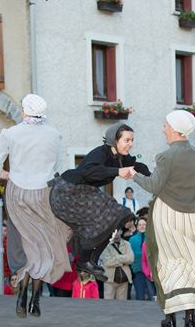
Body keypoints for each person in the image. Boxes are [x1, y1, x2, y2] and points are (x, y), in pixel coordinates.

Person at [133, 110, 195, 327]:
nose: (163, 129)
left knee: (166, 264)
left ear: (175, 129)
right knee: (191, 263)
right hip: (194, 215)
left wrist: (133, 175)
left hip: (167, 215)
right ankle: (190, 316)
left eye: (165, 125)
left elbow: (154, 186)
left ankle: (170, 317)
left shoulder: (166, 156)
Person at [0, 94, 71, 318]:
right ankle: (35, 296)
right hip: (43, 194)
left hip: (17, 194)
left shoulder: (10, 134)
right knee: (40, 245)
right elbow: (58, 170)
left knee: (20, 245)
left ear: (25, 111)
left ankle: (21, 295)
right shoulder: (54, 135)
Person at [49, 123, 150, 281]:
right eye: (127, 140)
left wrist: (153, 178)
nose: (131, 144)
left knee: (115, 220)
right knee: (118, 213)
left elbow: (137, 166)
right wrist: (117, 171)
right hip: (68, 191)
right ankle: (84, 259)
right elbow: (88, 171)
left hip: (84, 192)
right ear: (114, 140)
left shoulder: (121, 158)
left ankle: (89, 261)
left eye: (132, 140)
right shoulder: (101, 153)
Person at [99, 229, 134, 300]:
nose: (116, 233)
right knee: (108, 303)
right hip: (109, 279)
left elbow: (131, 259)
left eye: (118, 230)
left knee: (122, 305)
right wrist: (123, 261)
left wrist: (116, 257)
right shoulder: (104, 245)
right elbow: (107, 262)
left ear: (121, 231)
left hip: (124, 279)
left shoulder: (127, 244)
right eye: (113, 231)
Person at [128, 218, 155, 300]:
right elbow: (131, 255)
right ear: (137, 227)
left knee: (152, 295)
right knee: (140, 296)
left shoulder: (152, 238)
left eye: (144, 224)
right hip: (138, 271)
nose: (142, 226)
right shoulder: (132, 239)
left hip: (151, 272)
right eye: (140, 225)